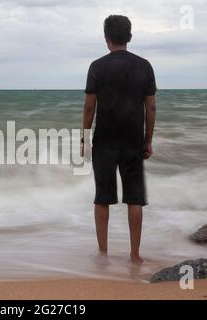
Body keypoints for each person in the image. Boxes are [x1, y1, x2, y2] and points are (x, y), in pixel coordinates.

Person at [82, 14, 157, 265]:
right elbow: (151, 108)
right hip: (133, 141)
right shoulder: (144, 66)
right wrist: (148, 141)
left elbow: (89, 107)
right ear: (130, 37)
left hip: (104, 141)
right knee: (134, 198)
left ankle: (103, 254)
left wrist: (84, 138)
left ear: (106, 39)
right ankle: (135, 255)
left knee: (102, 196)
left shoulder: (97, 66)